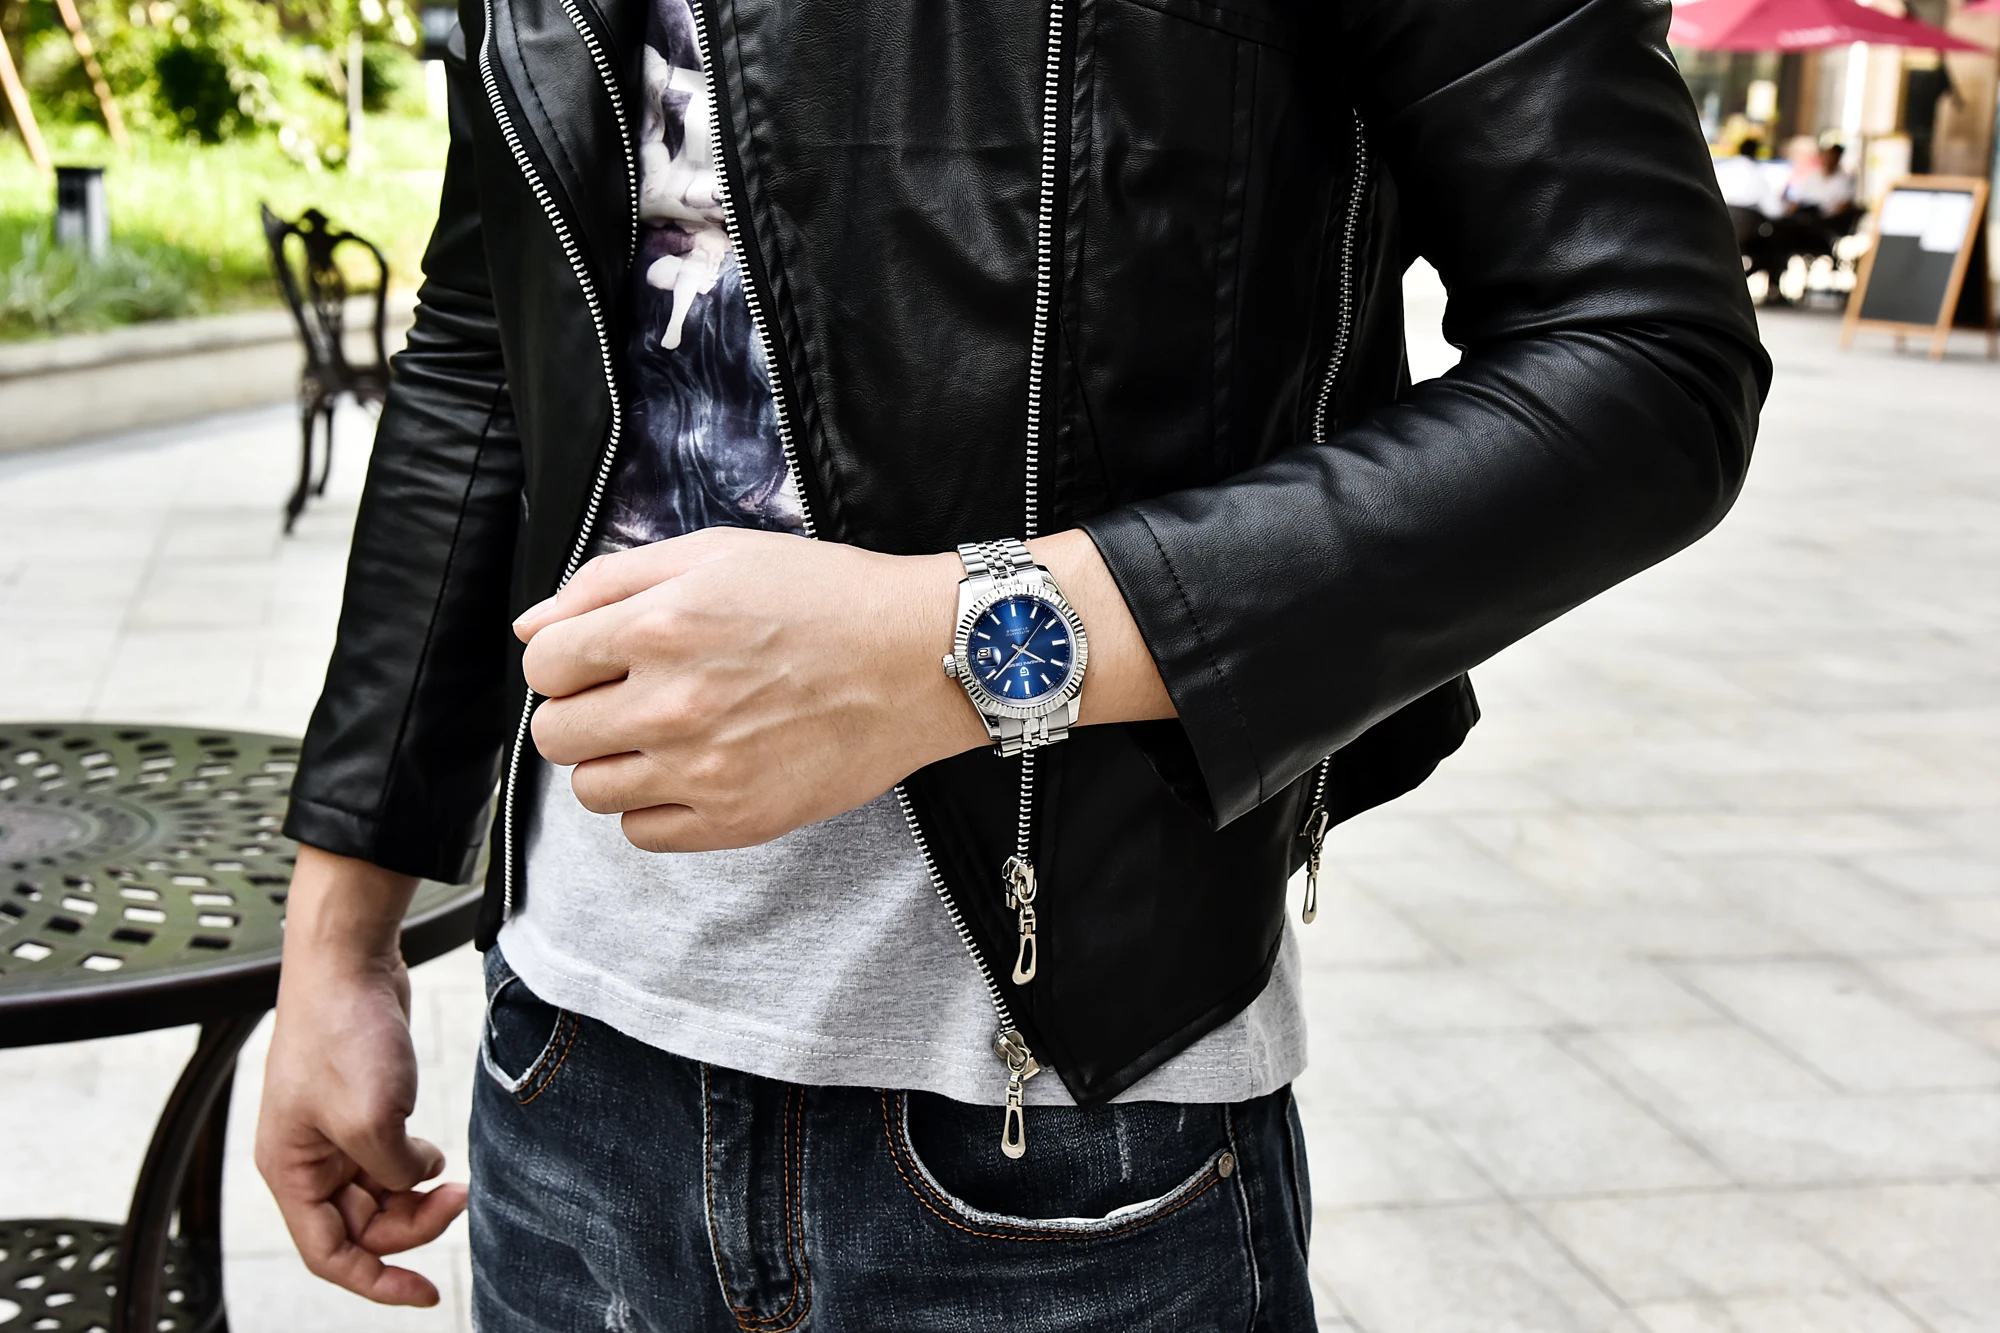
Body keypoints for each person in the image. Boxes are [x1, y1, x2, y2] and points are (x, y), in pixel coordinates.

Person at [253, 0, 1768, 1327]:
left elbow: (1646, 356)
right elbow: (486, 336)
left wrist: (955, 647)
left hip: (1063, 1131)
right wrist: (338, 932)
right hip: (562, 1071)